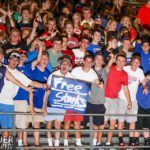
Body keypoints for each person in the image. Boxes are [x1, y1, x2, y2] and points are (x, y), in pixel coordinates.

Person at [81, 52, 115, 146]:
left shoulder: (105, 70)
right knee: (81, 123)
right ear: (94, 61)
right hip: (88, 101)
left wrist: (110, 54)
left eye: (101, 59)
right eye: (97, 59)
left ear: (103, 61)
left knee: (97, 124)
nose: (99, 61)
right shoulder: (89, 70)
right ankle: (78, 142)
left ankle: (95, 143)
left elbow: (112, 60)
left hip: (99, 102)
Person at [66, 55, 100, 146]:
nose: (88, 63)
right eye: (87, 61)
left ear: (92, 63)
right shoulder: (76, 70)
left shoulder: (93, 73)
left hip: (82, 102)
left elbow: (97, 82)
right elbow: (69, 81)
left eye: (90, 62)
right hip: (72, 99)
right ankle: (65, 144)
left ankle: (78, 143)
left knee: (78, 123)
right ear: (84, 61)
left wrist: (100, 84)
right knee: (67, 122)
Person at [42, 55, 73, 147]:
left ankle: (56, 144)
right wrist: (44, 107)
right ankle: (50, 144)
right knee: (49, 123)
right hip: (51, 103)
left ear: (69, 67)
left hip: (62, 104)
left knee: (58, 124)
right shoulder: (53, 75)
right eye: (63, 63)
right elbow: (47, 90)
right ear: (60, 65)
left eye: (67, 64)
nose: (64, 65)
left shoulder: (71, 77)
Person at [104, 52, 132, 146]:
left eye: (122, 61)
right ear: (116, 61)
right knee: (103, 122)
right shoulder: (110, 68)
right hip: (105, 97)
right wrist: (111, 59)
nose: (120, 62)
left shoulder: (124, 74)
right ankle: (97, 142)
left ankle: (108, 143)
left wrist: (129, 102)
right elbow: (106, 69)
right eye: (119, 60)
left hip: (115, 99)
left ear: (125, 63)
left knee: (113, 122)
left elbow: (126, 89)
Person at [117, 54, 145, 147]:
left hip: (133, 99)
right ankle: (120, 141)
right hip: (122, 97)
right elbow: (118, 80)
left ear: (139, 63)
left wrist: (146, 86)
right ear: (131, 62)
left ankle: (131, 141)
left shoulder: (140, 71)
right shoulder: (125, 69)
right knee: (120, 120)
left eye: (138, 62)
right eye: (135, 62)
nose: (136, 64)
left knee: (132, 121)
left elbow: (144, 81)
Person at [134, 71, 150, 147]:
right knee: (138, 125)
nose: (148, 80)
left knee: (146, 126)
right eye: (147, 78)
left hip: (149, 109)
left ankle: (146, 142)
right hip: (140, 108)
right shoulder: (141, 86)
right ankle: (136, 141)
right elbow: (138, 97)